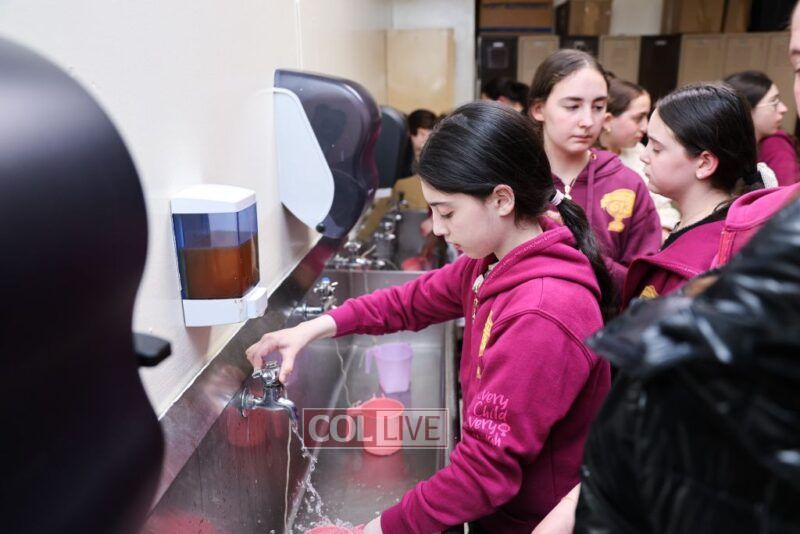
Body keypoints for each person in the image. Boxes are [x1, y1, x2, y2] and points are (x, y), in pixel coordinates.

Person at [246, 102, 613, 533]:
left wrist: (372, 531)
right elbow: (411, 301)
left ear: (501, 199)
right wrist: (312, 328)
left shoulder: (543, 313)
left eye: (447, 212)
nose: (438, 228)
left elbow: (481, 475)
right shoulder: (494, 261)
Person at [527, 49, 662, 290]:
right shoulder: (515, 180)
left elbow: (644, 284)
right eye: (573, 106)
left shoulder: (626, 184)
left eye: (598, 107)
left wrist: (582, 248)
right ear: (539, 109)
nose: (588, 121)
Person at [621, 83, 765, 306]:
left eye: (657, 148)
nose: (644, 156)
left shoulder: (705, 267)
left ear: (704, 163)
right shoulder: (714, 228)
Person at [598, 76, 681, 239]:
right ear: (608, 119)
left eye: (646, 117)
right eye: (638, 118)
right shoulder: (586, 162)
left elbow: (662, 207)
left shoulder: (638, 152)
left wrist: (664, 229)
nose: (645, 127)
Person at [725, 70, 797, 187]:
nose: (784, 108)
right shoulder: (725, 155)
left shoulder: (775, 143)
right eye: (773, 102)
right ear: (747, 110)